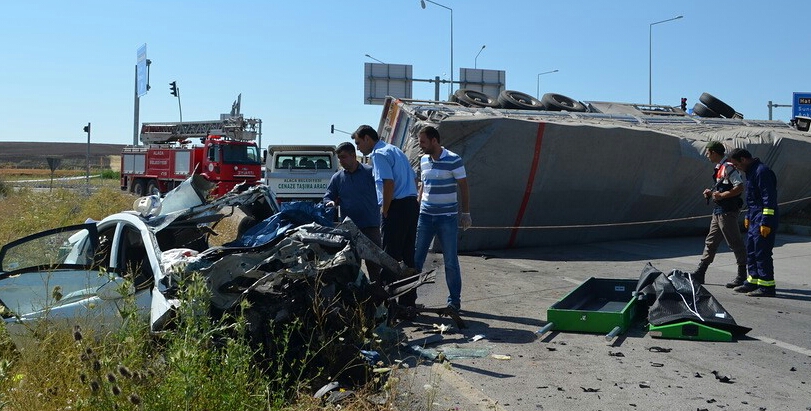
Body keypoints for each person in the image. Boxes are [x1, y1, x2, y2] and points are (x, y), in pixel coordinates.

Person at [352, 125, 419, 308]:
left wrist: (386, 209)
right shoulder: (395, 150)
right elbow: (413, 178)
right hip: (411, 205)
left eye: (358, 142)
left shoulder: (379, 154)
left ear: (367, 138)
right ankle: (408, 302)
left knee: (390, 256)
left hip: (396, 207)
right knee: (407, 255)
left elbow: (388, 182)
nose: (358, 147)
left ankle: (385, 304)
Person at [413, 126, 471, 312]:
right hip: (425, 217)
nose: (420, 145)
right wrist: (419, 202)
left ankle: (454, 302)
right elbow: (424, 184)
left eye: (423, 142)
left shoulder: (454, 160)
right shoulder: (423, 160)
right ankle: (409, 299)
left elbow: (464, 187)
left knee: (451, 261)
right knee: (417, 259)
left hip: (447, 218)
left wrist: (465, 213)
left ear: (434, 141)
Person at [323, 142, 381, 281]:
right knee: (352, 267)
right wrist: (329, 202)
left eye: (343, 157)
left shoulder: (370, 173)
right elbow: (328, 196)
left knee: (374, 265)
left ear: (353, 156)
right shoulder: (337, 178)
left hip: (370, 227)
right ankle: (357, 299)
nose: (341, 161)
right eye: (339, 158)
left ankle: (378, 298)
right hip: (349, 230)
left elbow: (383, 191)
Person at [691, 141, 747, 287]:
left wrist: (721, 196)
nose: (707, 155)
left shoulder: (728, 167)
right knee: (711, 242)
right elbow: (724, 186)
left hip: (727, 211)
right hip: (719, 210)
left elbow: (739, 187)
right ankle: (700, 273)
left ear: (714, 153)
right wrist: (712, 192)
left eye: (708, 153)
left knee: (734, 242)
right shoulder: (720, 167)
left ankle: (742, 275)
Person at [727, 148, 778, 297]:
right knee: (752, 251)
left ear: (743, 159)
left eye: (736, 165)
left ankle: (767, 287)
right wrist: (748, 216)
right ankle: (753, 281)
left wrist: (766, 222)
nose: (736, 168)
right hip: (755, 216)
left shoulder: (762, 171)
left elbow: (769, 199)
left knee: (762, 252)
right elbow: (752, 199)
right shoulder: (751, 171)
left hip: (763, 217)